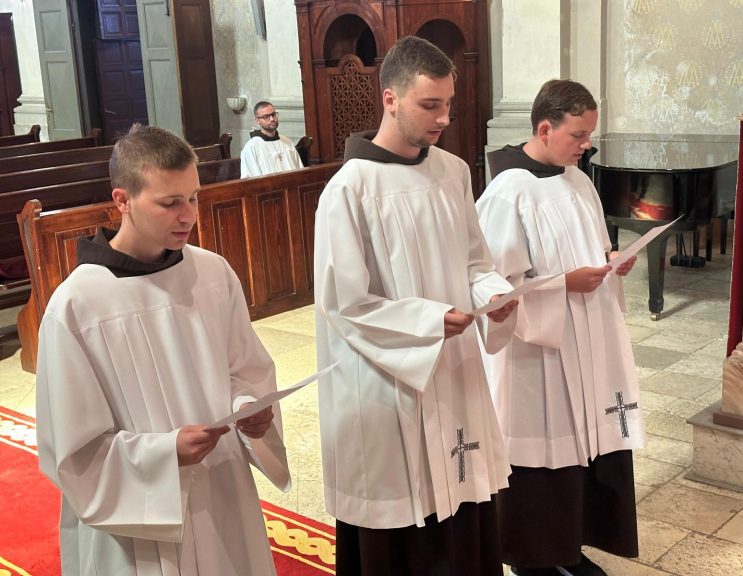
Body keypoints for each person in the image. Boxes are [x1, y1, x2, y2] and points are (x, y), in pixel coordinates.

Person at [36, 124, 291, 575]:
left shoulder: (212, 273)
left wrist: (248, 407)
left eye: (193, 197)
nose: (187, 215)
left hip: (221, 487)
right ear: (122, 200)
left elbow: (244, 369)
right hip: (139, 518)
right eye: (170, 203)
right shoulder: (77, 305)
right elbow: (73, 451)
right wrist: (164, 452)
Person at [314, 35, 518, 576]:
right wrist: (428, 321)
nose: (444, 118)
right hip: (389, 381)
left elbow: (474, 261)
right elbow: (344, 303)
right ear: (390, 99)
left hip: (454, 367)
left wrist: (492, 295)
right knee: (404, 521)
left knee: (463, 491)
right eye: (430, 105)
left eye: (448, 103)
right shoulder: (349, 189)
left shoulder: (453, 172)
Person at [476, 79, 646, 576]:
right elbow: (491, 286)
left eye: (590, 134)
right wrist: (562, 285)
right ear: (545, 129)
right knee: (546, 453)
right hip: (539, 354)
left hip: (588, 339)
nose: (587, 144)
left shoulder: (578, 181)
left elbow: (593, 246)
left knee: (585, 448)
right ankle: (535, 558)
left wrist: (613, 259)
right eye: (579, 134)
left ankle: (570, 545)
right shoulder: (507, 192)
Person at [240, 100, 303, 177]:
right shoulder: (251, 147)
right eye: (266, 117)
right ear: (257, 121)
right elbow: (248, 179)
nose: (272, 119)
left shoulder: (287, 142)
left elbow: (300, 171)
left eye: (273, 114)